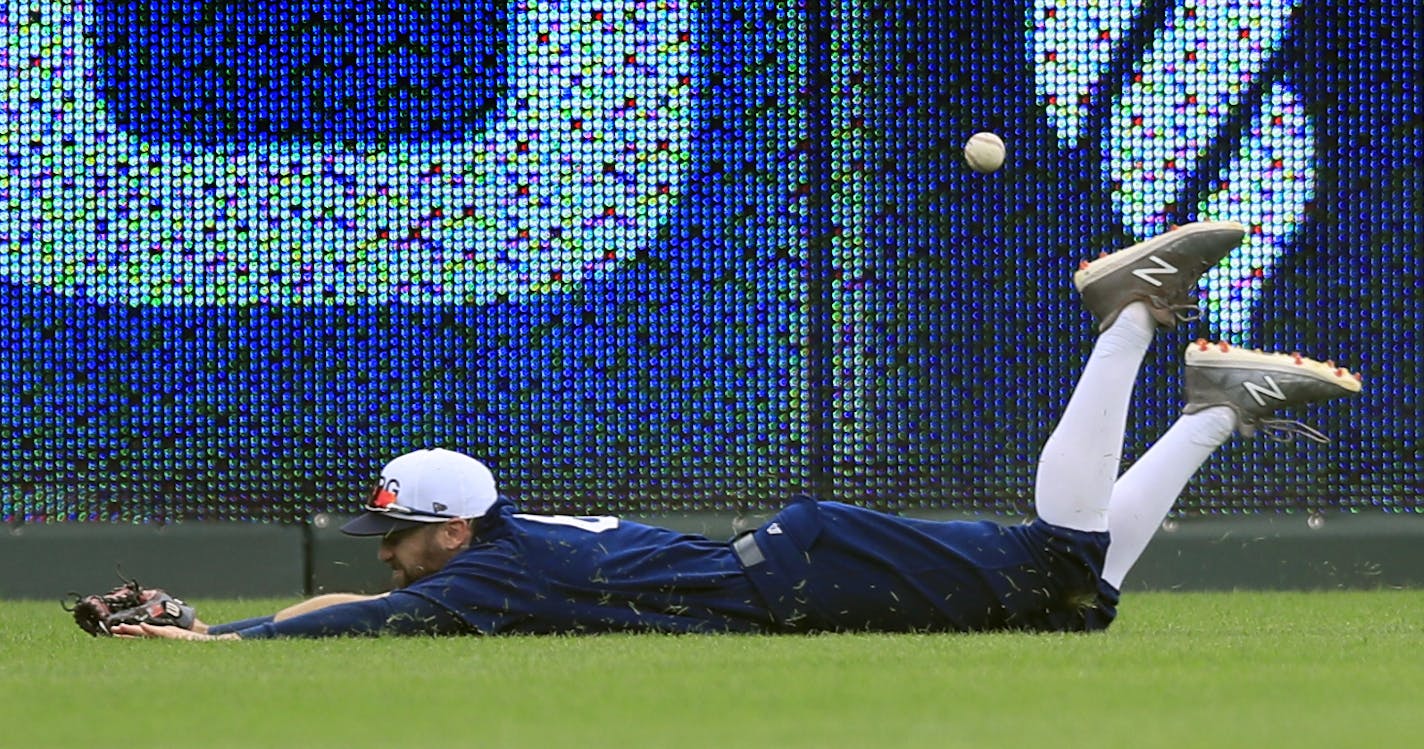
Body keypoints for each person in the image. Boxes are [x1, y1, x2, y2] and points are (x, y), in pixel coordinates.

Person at [114, 221, 1362, 641]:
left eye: (395, 534)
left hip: (805, 568)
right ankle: (1215, 406)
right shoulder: (493, 556)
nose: (383, 551)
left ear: (449, 529)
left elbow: (362, 621)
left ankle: (1128, 316)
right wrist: (224, 630)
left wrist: (219, 642)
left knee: (1056, 569)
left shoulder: (496, 568)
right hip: (802, 561)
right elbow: (357, 605)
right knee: (1070, 597)